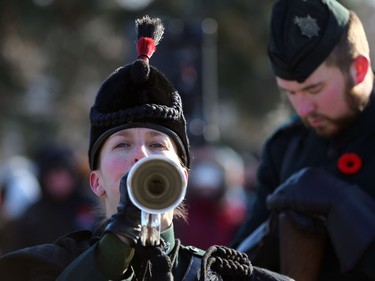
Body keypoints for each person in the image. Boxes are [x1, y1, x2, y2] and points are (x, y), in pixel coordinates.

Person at [0, 15, 293, 281]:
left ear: (183, 177)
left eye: (156, 144)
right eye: (123, 144)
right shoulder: (33, 270)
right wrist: (118, 241)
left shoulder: (226, 277)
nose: (141, 155)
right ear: (96, 181)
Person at [230, 0, 375, 280]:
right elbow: (239, 262)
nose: (304, 109)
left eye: (314, 89)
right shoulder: (285, 149)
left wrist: (343, 205)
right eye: (291, 94)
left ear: (358, 69)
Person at [12, 143, 97, 249]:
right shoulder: (33, 216)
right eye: (53, 178)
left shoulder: (91, 207)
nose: (59, 183)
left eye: (63, 176)